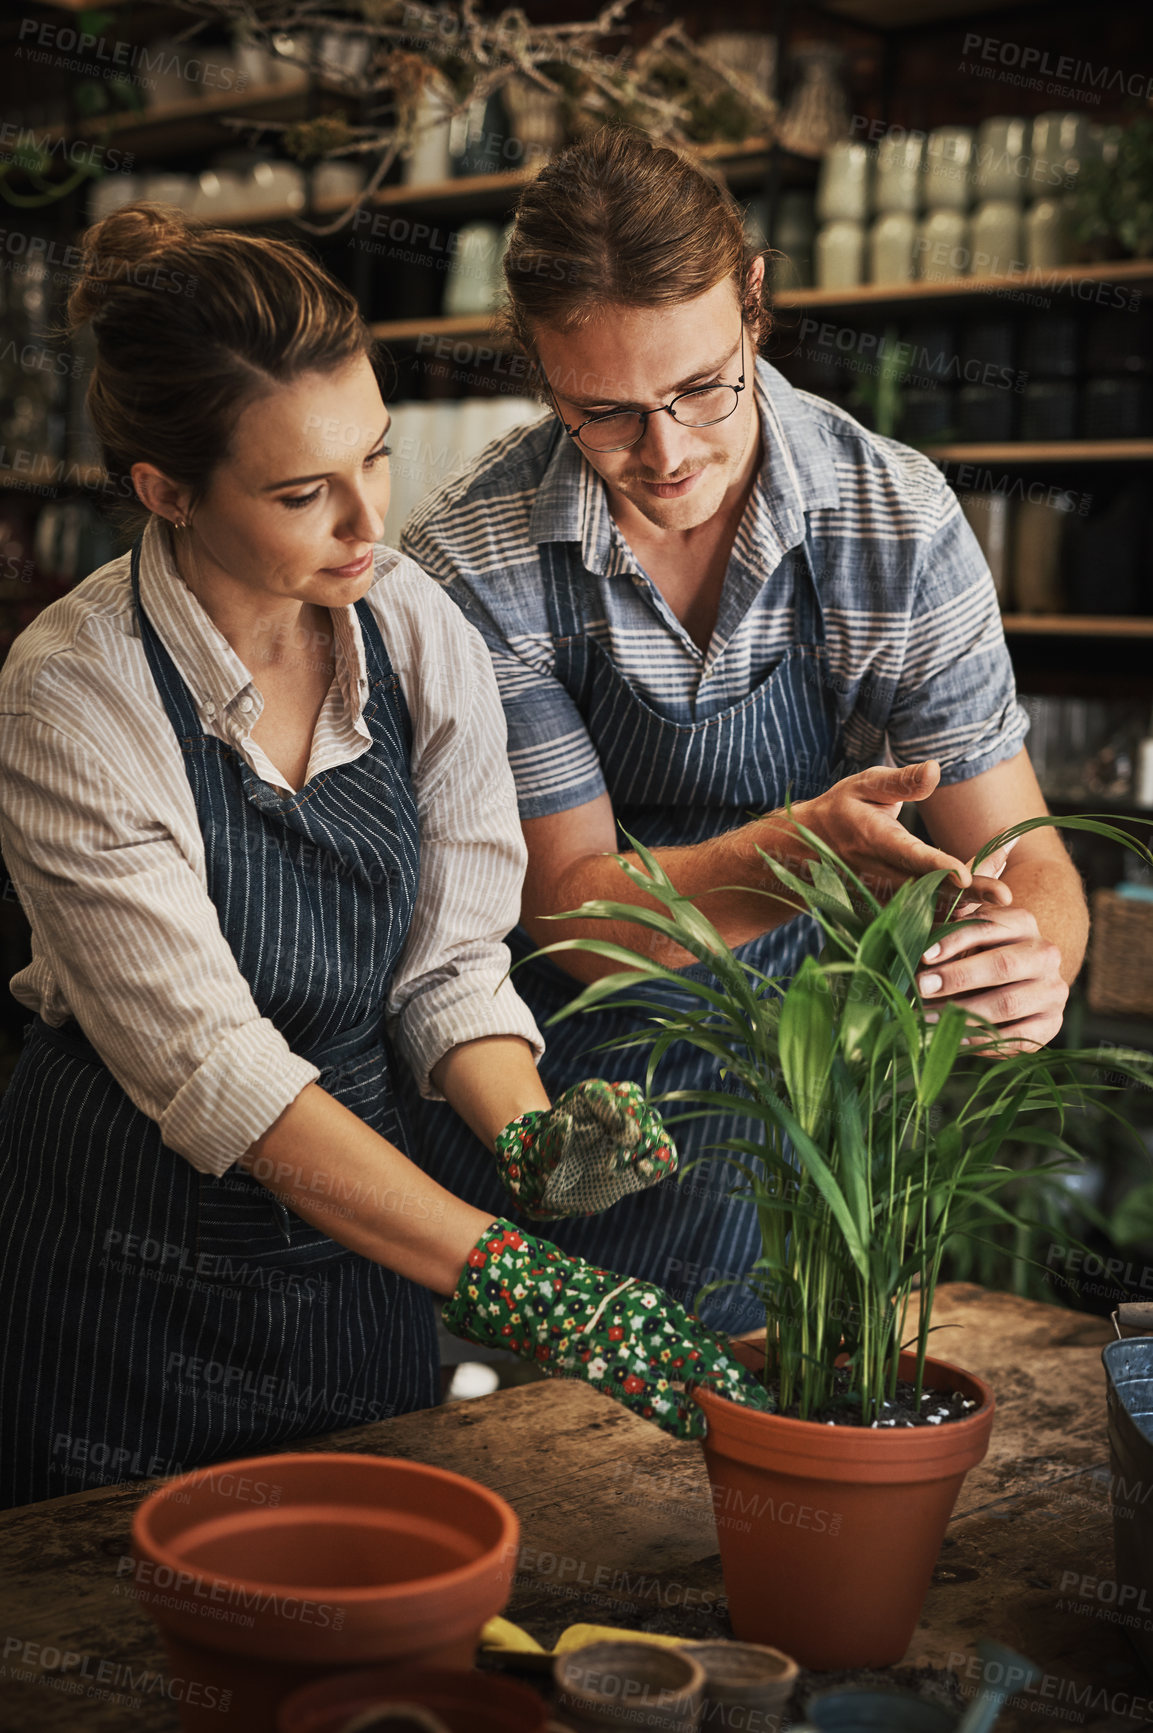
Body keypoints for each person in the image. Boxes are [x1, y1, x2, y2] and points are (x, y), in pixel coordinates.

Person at [0, 205, 766, 1511]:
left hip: (363, 1251)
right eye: (304, 492)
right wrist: (527, 1282)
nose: (369, 520)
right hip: (124, 1265)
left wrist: (534, 1144)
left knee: (363, 1600)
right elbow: (222, 1074)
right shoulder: (73, 696)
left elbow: (447, 972)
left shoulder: (409, 630)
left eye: (376, 457)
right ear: (166, 491)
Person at [400, 128, 1087, 1333]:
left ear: (755, 302)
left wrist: (1036, 961)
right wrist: (798, 854)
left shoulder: (894, 522)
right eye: (602, 413)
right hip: (553, 1090)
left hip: (805, 1105)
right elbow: (568, 909)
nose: (664, 454)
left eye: (701, 388)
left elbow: (1024, 851)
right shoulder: (475, 558)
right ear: (536, 370)